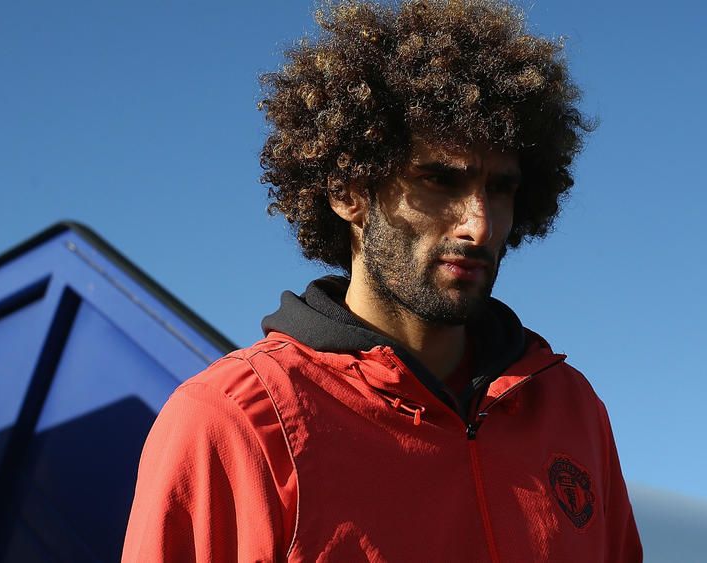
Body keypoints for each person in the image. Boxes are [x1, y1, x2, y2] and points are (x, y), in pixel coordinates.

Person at [122, 0, 643, 561]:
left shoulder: (572, 409)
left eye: (500, 189)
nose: (480, 225)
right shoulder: (235, 418)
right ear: (349, 192)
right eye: (439, 181)